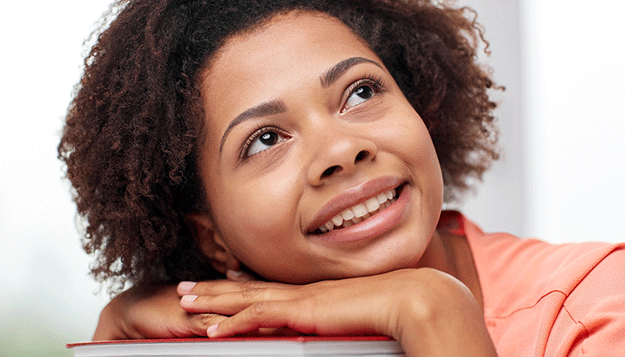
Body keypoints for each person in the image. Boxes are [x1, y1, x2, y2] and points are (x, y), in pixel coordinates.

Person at [58, 0, 625, 356]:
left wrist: (432, 312)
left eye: (360, 91)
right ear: (212, 236)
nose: (343, 151)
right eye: (265, 139)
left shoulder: (594, 307)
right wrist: (118, 343)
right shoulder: (225, 348)